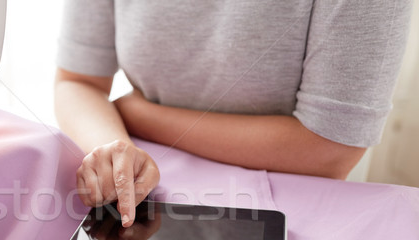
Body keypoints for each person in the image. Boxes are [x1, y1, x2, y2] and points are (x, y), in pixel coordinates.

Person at [54, 0, 412, 227]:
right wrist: (114, 151)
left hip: (286, 223)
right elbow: (78, 82)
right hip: (152, 220)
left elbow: (330, 149)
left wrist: (140, 114)